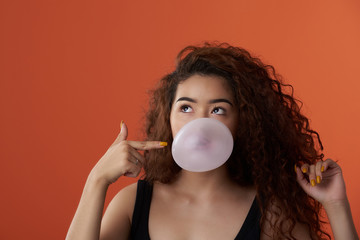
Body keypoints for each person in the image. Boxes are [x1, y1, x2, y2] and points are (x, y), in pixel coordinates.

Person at [66, 42, 358, 240]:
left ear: (241, 121)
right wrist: (97, 180)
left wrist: (336, 204)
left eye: (218, 109)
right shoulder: (133, 203)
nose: (200, 122)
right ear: (167, 119)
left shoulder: (270, 213)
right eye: (186, 108)